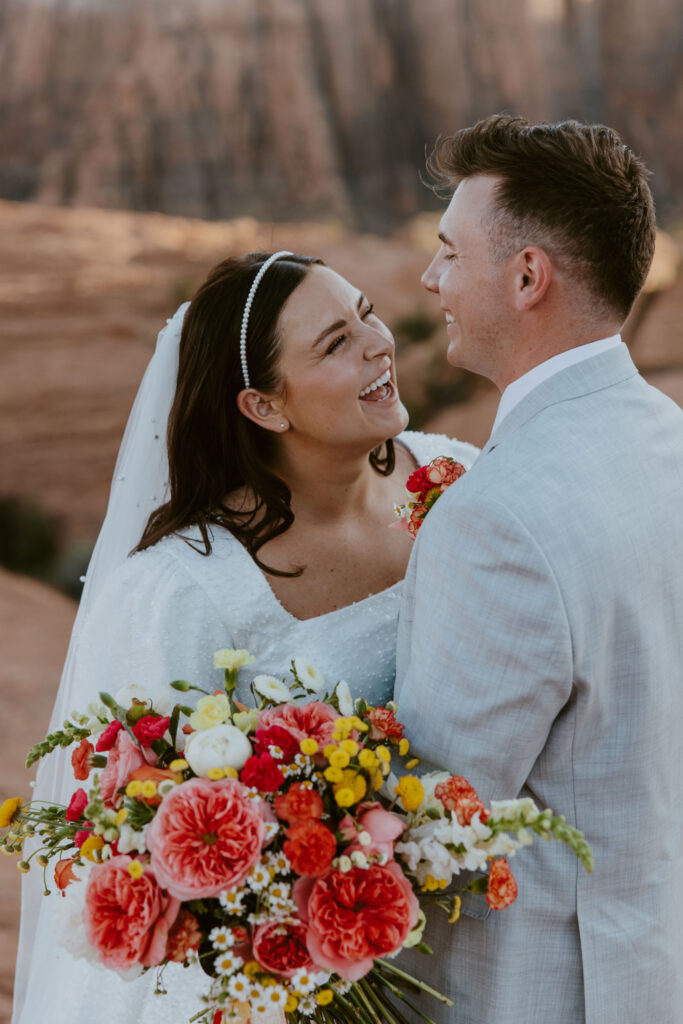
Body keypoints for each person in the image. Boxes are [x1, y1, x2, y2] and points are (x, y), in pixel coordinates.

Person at [12, 251, 478, 1024]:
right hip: (291, 986)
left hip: (475, 940)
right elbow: (151, 826)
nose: (377, 342)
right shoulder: (185, 590)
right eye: (334, 342)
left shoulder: (456, 480)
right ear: (264, 407)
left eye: (367, 312)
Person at [395, 115, 683, 1023]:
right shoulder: (668, 440)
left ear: (527, 277)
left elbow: (440, 822)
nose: (430, 280)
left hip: (540, 994)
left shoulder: (493, 517)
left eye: (449, 251)